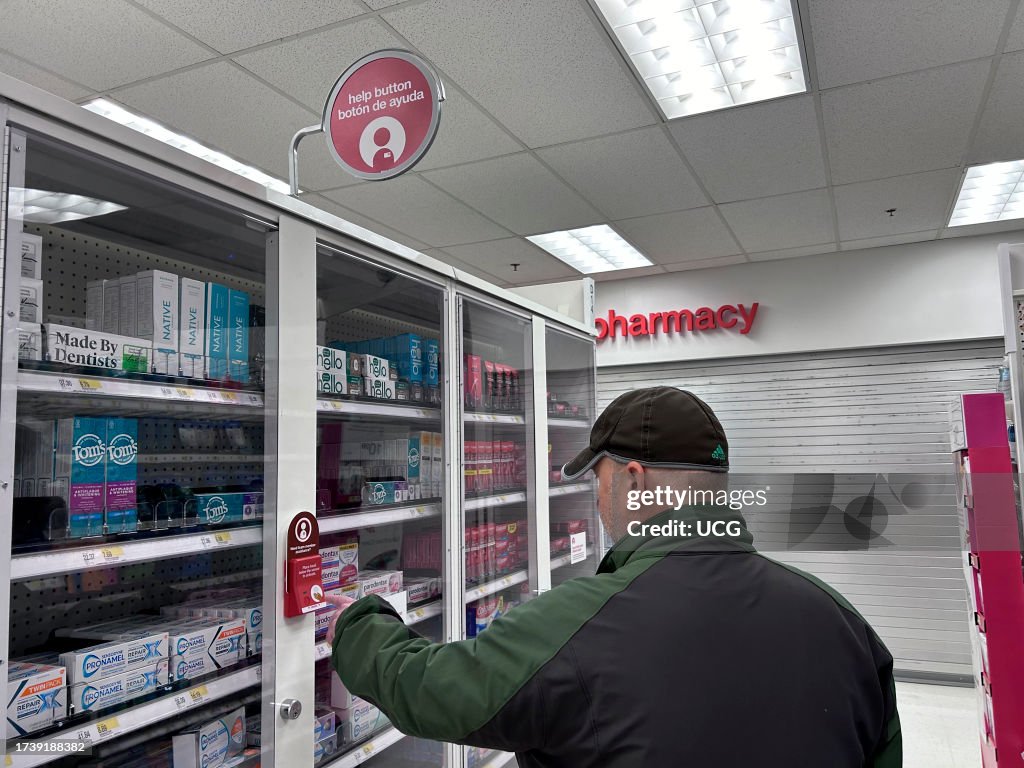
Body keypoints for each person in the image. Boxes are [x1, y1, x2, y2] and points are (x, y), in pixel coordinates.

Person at [327, 386, 902, 767]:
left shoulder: (577, 624)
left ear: (635, 477)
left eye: (598, 480)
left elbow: (425, 688)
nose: (597, 499)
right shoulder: (841, 619)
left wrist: (356, 614)